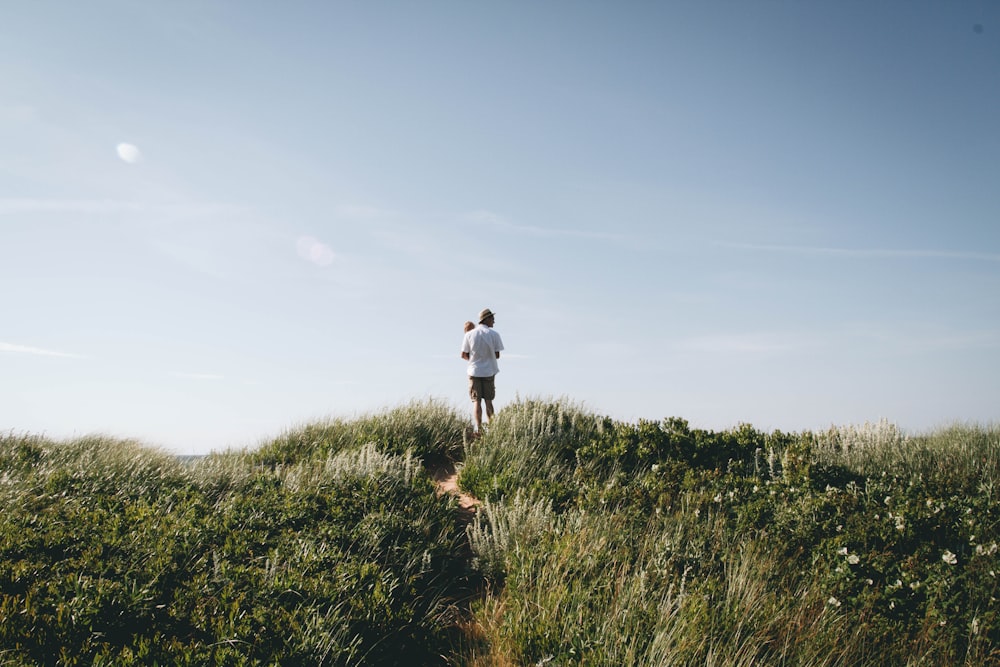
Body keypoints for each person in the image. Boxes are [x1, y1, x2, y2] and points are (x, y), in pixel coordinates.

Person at [461, 308, 504, 434]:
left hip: (474, 371)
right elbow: (497, 355)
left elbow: (463, 354)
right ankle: (492, 429)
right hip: (489, 371)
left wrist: (473, 359)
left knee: (476, 401)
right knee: (489, 401)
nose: (494, 321)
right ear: (487, 319)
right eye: (492, 319)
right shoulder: (494, 335)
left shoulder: (469, 335)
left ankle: (479, 428)